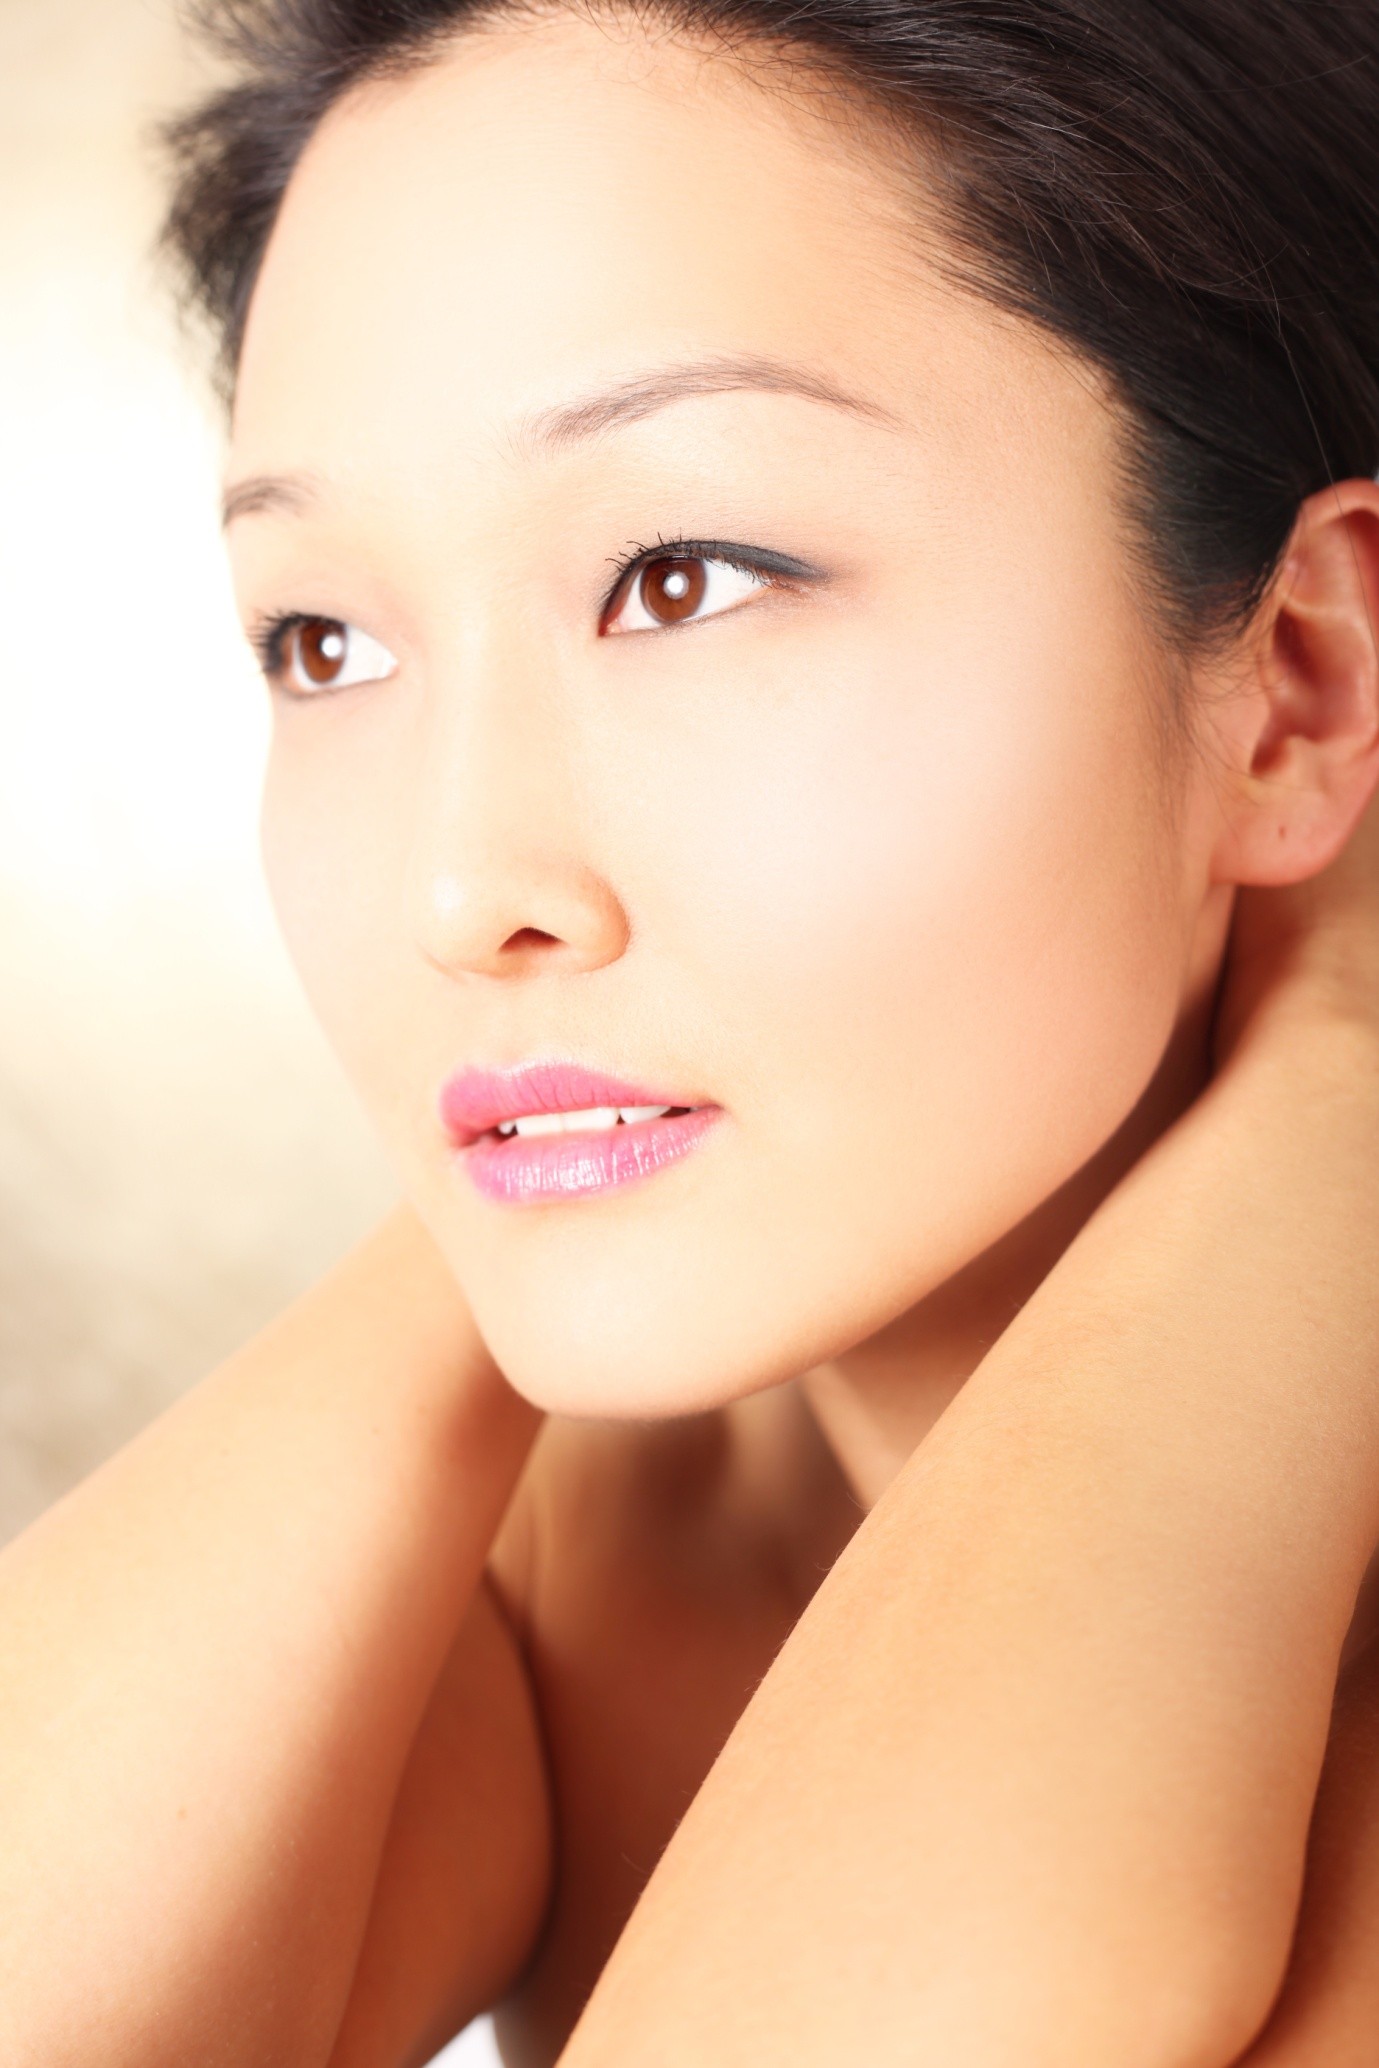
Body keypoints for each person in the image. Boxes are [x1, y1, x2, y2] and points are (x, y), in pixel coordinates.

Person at [1, 1, 1378, 2061]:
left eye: (682, 577)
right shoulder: (576, 1558)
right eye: (328, 637)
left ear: (1299, 679)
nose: (455, 892)